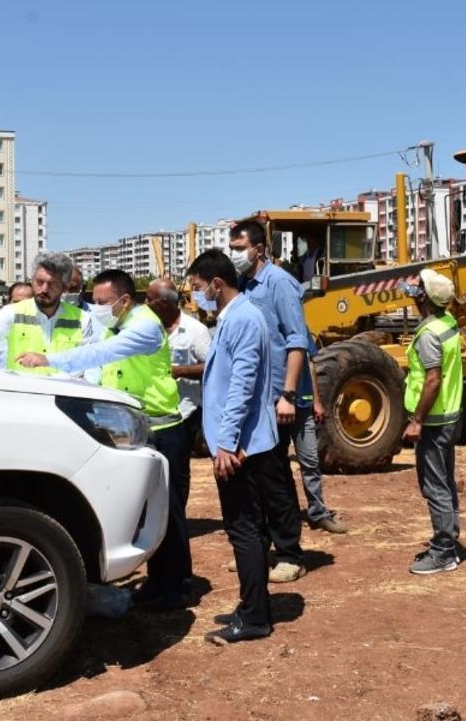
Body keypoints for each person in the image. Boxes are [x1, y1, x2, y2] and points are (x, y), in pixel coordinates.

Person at [18, 269, 192, 611]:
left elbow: (102, 354)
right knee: (147, 513)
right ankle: (159, 582)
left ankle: (178, 585)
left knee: (168, 512)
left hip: (163, 429)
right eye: (94, 301)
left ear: (124, 300)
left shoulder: (142, 326)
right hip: (137, 430)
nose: (95, 307)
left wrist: (48, 360)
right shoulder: (119, 323)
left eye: (102, 302)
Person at [188, 249, 278, 644]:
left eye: (197, 288)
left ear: (216, 284)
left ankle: (255, 616)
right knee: (248, 530)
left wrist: (226, 443)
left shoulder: (243, 318)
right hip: (242, 442)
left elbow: (241, 385)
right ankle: (251, 605)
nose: (196, 296)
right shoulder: (235, 318)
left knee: (244, 530)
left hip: (241, 446)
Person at [229, 220, 307, 583]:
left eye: (240, 246)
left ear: (259, 248)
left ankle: (290, 553)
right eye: (231, 247)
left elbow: (296, 341)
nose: (235, 254)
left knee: (274, 478)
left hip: (276, 399)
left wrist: (288, 396)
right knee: (252, 479)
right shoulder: (243, 286)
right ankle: (258, 550)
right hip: (251, 400)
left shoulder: (280, 284)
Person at [401, 268, 464, 575]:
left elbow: (432, 381)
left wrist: (416, 420)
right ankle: (450, 538)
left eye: (418, 289)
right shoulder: (448, 323)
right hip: (451, 415)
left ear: (425, 298)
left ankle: (443, 552)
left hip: (435, 421)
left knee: (434, 485)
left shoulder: (428, 335)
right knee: (446, 482)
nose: (413, 292)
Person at [0, 252, 90, 373]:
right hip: (23, 392)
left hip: (63, 392)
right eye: (39, 282)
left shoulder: (82, 319)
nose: (44, 289)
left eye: (52, 284)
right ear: (32, 280)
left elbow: (87, 360)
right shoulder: (12, 312)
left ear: (65, 287)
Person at [147, 278, 210, 456]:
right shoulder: (146, 328)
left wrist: (180, 371)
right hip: (154, 414)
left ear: (164, 303)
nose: (145, 303)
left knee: (178, 470)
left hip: (186, 413)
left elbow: (212, 368)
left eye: (149, 299)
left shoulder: (196, 331)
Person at [293, 337, 347, 533]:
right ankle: (287, 513)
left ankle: (318, 512)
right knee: (277, 467)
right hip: (277, 408)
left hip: (303, 406)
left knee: (310, 460)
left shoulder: (300, 328)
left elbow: (309, 364)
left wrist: (316, 401)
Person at [0, 282, 36, 368]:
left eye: (26, 303)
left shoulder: (45, 336)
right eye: (16, 302)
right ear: (9, 301)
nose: (21, 307)